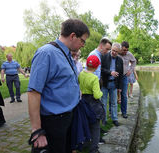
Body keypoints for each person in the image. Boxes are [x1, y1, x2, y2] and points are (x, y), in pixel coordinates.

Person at [27, 19, 90, 153]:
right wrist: (37, 130)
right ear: (73, 36)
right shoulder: (46, 53)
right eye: (83, 41)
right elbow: (33, 92)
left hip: (67, 118)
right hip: (53, 123)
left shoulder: (66, 53)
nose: (83, 45)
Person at [78, 55, 104, 153]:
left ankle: (85, 143)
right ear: (97, 67)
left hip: (83, 101)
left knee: (86, 123)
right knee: (95, 127)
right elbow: (97, 95)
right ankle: (94, 149)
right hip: (93, 104)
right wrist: (101, 92)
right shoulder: (94, 78)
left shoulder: (81, 74)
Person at [101, 43, 123, 126]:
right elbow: (101, 69)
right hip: (105, 83)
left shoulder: (120, 60)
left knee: (114, 103)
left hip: (114, 84)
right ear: (111, 49)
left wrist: (120, 87)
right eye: (113, 50)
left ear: (119, 52)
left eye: (116, 51)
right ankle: (104, 120)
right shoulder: (104, 56)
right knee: (103, 102)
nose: (114, 52)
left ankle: (115, 119)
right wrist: (110, 72)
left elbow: (121, 74)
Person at [118, 41, 136, 118]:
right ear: (120, 48)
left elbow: (134, 61)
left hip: (125, 76)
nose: (125, 52)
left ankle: (124, 112)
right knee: (114, 93)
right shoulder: (117, 52)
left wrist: (131, 70)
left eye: (126, 50)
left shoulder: (129, 54)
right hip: (116, 76)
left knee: (124, 95)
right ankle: (112, 112)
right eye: (124, 50)